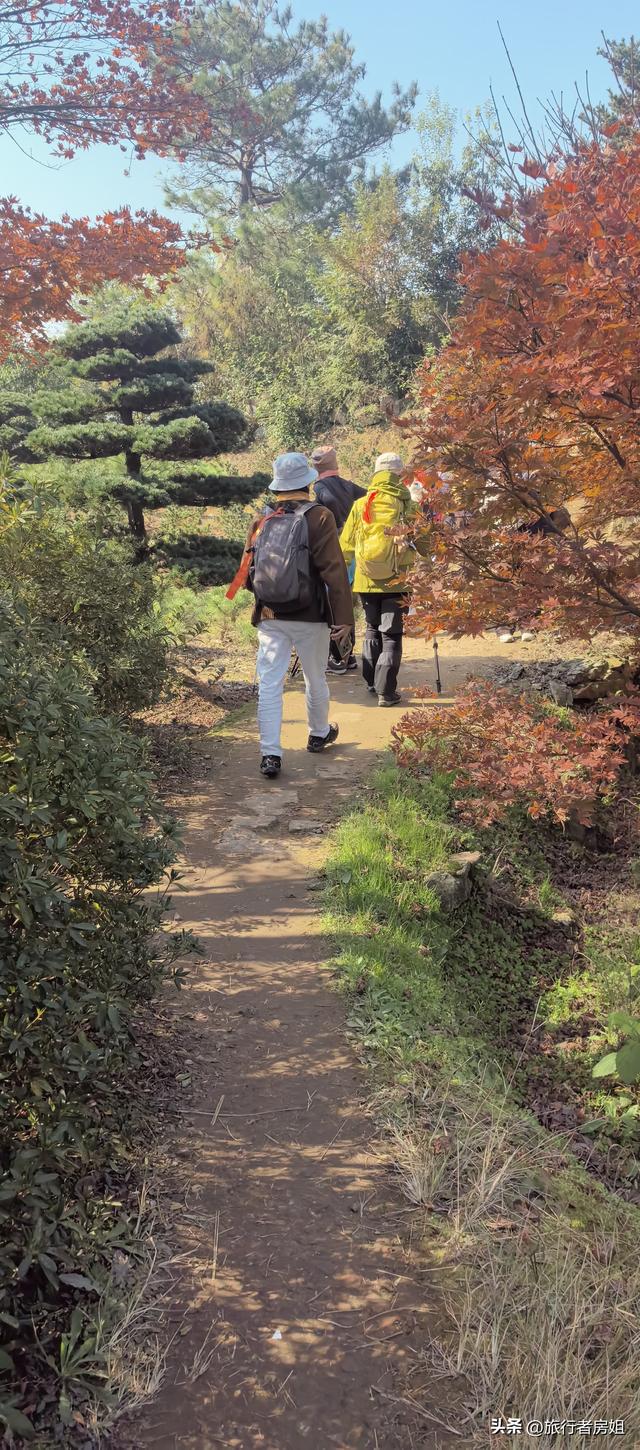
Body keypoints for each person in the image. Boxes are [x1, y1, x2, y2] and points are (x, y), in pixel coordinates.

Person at [228, 452, 354, 779]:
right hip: (311, 615)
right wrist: (344, 620)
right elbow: (334, 573)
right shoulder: (320, 516)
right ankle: (318, 733)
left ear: (277, 486)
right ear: (308, 481)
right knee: (315, 678)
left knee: (270, 683)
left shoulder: (261, 520)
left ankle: (270, 754)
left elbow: (247, 572)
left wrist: (269, 594)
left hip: (269, 614)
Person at [340, 452, 430, 707]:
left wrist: (338, 575)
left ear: (377, 474)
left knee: (371, 628)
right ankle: (386, 692)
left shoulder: (361, 504)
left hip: (365, 578)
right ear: (400, 475)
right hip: (397, 579)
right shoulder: (409, 505)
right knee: (391, 634)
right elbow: (425, 544)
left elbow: (345, 545)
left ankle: (371, 681)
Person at [311, 446, 366, 674]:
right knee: (344, 602)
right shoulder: (349, 486)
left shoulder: (320, 488)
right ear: (335, 465)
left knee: (333, 603)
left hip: (333, 551)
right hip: (354, 552)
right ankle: (348, 655)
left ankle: (339, 657)